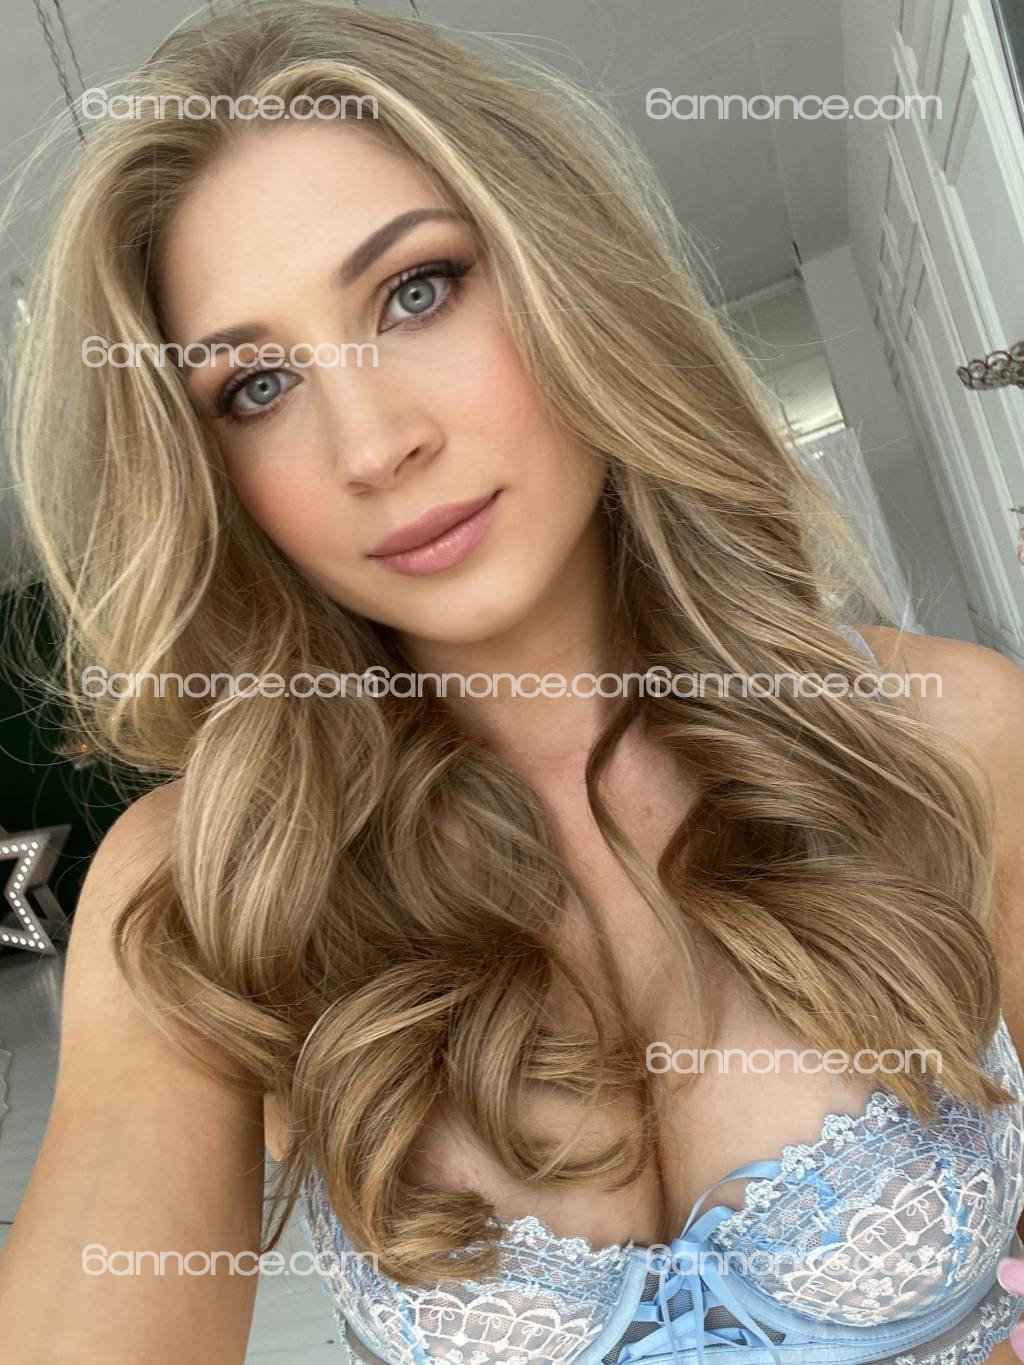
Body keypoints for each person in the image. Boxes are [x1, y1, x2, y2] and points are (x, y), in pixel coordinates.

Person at [2, 2, 1023, 1361]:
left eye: (416, 291)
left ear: (567, 278)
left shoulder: (947, 733)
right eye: (255, 386)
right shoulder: (214, 884)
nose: (373, 444)